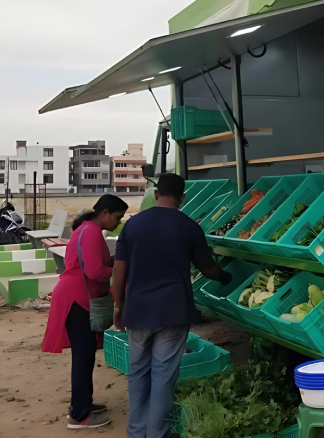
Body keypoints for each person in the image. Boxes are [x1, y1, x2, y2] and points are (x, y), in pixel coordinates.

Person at [111, 173, 232, 438]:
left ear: (156, 195)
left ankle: (136, 433)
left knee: (137, 374)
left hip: (138, 311)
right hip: (173, 311)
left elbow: (119, 271)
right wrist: (227, 277)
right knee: (163, 377)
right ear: (182, 197)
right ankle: (158, 434)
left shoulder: (133, 225)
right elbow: (209, 269)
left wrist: (118, 306)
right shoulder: (189, 227)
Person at [42, 194, 129, 429]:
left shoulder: (85, 228)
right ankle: (80, 416)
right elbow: (93, 271)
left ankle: (83, 405)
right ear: (105, 213)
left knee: (85, 355)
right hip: (77, 298)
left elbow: (90, 264)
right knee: (83, 357)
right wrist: (118, 274)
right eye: (118, 218)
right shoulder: (91, 231)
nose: (118, 223)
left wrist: (111, 263)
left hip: (75, 296)